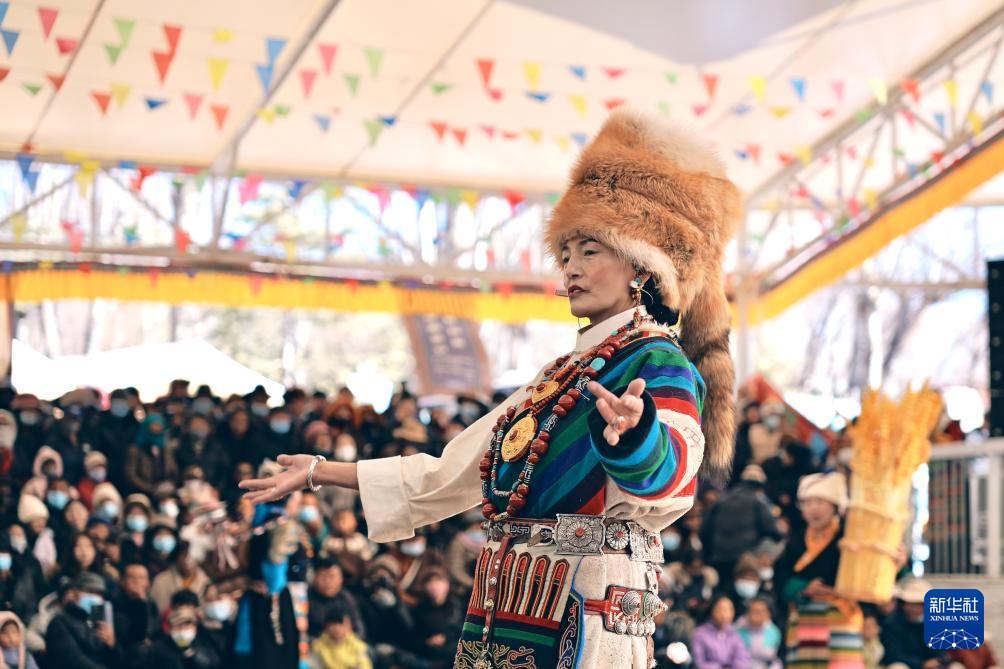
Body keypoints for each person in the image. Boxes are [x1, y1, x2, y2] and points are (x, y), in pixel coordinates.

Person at [240, 110, 742, 669]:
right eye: (566, 255)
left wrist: (637, 435)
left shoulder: (655, 359)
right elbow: (453, 471)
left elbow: (673, 473)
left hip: (585, 606)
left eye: (589, 251)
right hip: (507, 605)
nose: (570, 270)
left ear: (641, 265)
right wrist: (319, 470)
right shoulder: (559, 375)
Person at [774, 472, 864, 669]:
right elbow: (780, 575)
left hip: (840, 616)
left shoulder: (849, 538)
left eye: (820, 502)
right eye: (808, 503)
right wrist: (804, 587)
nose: (814, 509)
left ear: (835, 506)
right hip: (804, 617)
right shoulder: (795, 541)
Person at [701, 464, 783, 583]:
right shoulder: (758, 501)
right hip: (744, 561)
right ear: (760, 486)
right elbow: (772, 530)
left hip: (719, 557)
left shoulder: (722, 500)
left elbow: (704, 531)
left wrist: (711, 552)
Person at [45, 571, 125, 669]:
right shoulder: (59, 623)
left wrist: (112, 645)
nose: (95, 597)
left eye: (99, 594)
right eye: (90, 591)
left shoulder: (97, 623)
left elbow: (117, 662)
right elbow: (72, 660)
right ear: (73, 593)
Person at [880, 578, 944, 669]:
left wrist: (936, 661)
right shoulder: (892, 623)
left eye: (920, 605)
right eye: (912, 604)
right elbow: (893, 654)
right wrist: (921, 664)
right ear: (904, 604)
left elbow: (939, 651)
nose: (916, 609)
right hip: (905, 665)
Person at [142, 606, 221, 669]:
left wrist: (192, 656)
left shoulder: (205, 645)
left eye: (187, 626)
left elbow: (213, 664)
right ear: (169, 629)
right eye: (178, 626)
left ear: (195, 628)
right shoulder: (157, 649)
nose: (183, 630)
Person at [307, 558, 365, 639]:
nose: (327, 582)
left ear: (341, 579)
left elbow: (360, 631)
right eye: (323, 576)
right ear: (314, 577)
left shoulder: (347, 598)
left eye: (332, 576)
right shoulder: (305, 598)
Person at [691, 595, 751, 669]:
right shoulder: (700, 634)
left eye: (730, 609)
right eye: (722, 609)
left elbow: (742, 659)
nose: (726, 614)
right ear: (712, 610)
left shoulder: (734, 634)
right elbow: (698, 663)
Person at [312, 604, 372, 669]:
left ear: (350, 626)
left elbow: (365, 665)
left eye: (341, 624)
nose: (337, 628)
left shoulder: (357, 646)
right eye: (333, 624)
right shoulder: (318, 646)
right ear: (326, 627)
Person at [736, 597, 782, 669]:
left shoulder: (774, 632)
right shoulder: (738, 631)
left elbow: (774, 657)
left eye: (762, 611)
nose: (759, 614)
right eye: (755, 611)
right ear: (747, 613)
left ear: (768, 613)